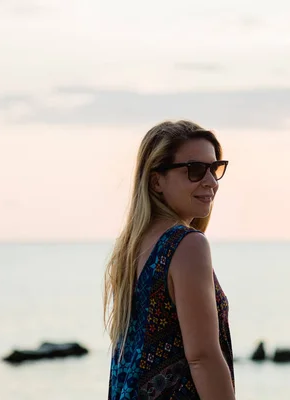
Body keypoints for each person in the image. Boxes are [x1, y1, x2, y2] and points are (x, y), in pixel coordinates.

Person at [104, 120, 235, 400]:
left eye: (215, 168)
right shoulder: (186, 245)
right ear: (156, 181)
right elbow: (203, 358)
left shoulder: (131, 249)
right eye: (195, 170)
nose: (210, 181)